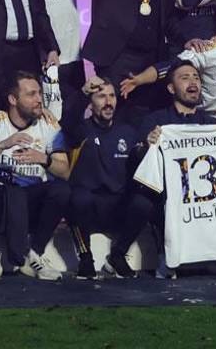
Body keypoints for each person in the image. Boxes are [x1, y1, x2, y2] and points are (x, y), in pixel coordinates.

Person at [0, 72, 71, 281]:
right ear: (13, 100)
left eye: (39, 93)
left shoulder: (49, 125)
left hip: (32, 196)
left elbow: (65, 171)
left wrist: (44, 159)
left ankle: (35, 255)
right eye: (31, 94)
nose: (39, 99)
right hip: (1, 196)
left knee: (62, 190)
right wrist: (3, 144)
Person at [65, 81, 153, 280]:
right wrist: (82, 92)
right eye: (101, 96)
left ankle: (117, 256)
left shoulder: (128, 132)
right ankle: (85, 258)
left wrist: (146, 148)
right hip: (88, 206)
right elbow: (68, 120)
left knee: (143, 203)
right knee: (77, 197)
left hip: (116, 206)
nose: (108, 102)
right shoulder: (81, 131)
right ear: (90, 104)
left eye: (112, 96)